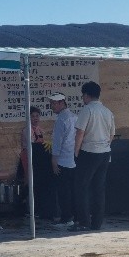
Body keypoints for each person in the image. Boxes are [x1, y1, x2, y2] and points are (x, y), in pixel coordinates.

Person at [73, 80, 115, 231]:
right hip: (105, 153)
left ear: (86, 95)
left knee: (82, 187)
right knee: (99, 189)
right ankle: (97, 223)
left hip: (89, 152)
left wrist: (76, 151)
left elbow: (80, 132)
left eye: (83, 96)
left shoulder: (87, 110)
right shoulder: (107, 111)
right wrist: (104, 145)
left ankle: (84, 222)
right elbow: (112, 134)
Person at [48, 93, 77, 226]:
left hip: (63, 160)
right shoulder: (74, 117)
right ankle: (73, 216)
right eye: (51, 103)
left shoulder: (62, 119)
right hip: (73, 158)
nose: (52, 106)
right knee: (72, 190)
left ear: (61, 103)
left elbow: (57, 142)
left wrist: (54, 161)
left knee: (63, 191)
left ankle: (66, 218)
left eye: (54, 103)